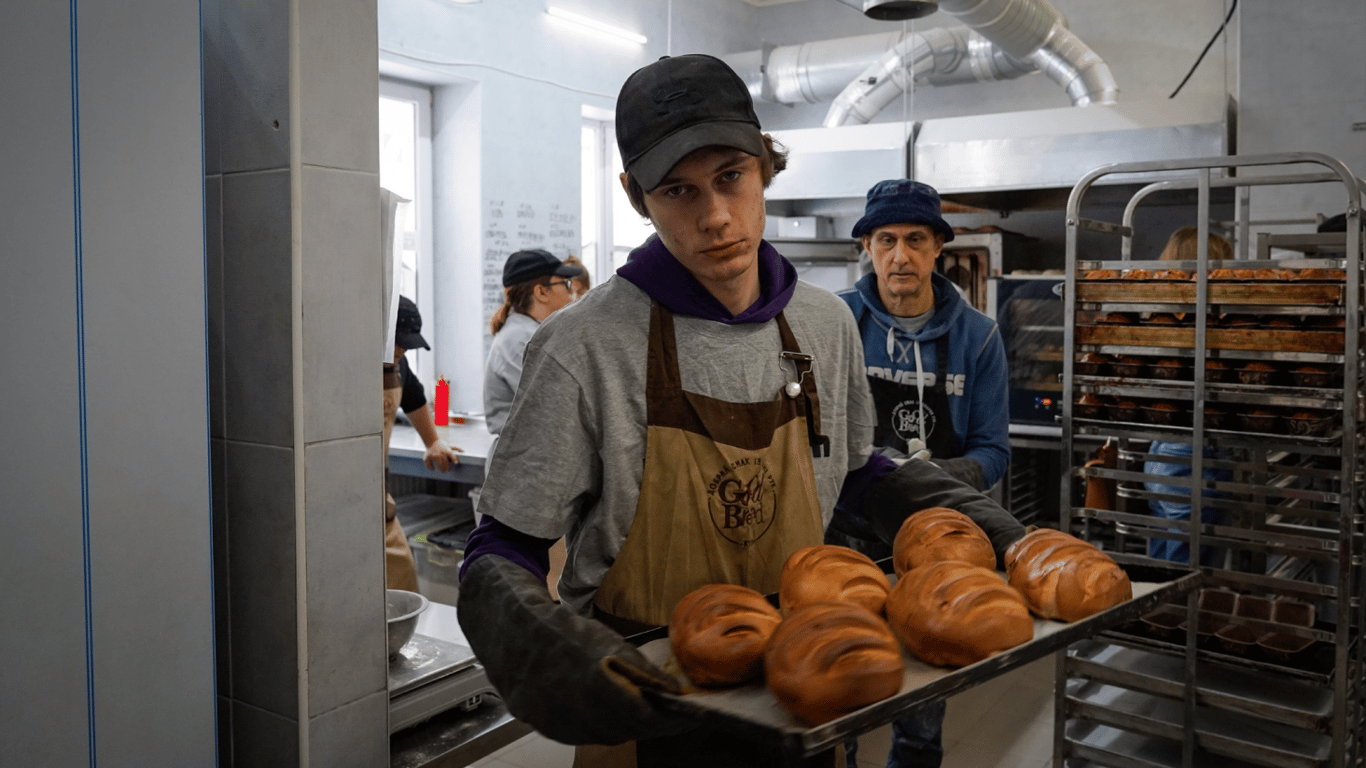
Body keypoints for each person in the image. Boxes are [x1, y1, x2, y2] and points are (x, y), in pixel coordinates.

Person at [455, 53, 1025, 767]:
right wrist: (544, 650)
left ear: (764, 166)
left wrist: (1000, 536)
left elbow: (852, 473)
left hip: (800, 684)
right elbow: (501, 545)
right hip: (645, 700)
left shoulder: (823, 325)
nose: (716, 217)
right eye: (678, 191)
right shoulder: (582, 346)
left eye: (731, 177)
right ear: (637, 196)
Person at [829, 181, 1011, 766]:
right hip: (842, 541)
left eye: (914, 240)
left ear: (938, 249)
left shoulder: (978, 338)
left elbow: (994, 451)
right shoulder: (834, 323)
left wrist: (928, 476)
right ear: (867, 247)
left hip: (934, 545)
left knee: (923, 708)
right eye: (886, 240)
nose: (900, 255)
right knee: (836, 695)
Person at [1144, 228, 1233, 565]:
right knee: (1192, 563)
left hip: (1159, 445)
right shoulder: (1213, 318)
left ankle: (1153, 615)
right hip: (1193, 446)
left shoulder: (1160, 313)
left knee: (1162, 552)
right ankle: (1183, 617)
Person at [383, 296, 463, 590]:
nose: (402, 350)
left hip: (381, 501)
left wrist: (433, 442)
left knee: (403, 581)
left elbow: (414, 398)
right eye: (398, 342)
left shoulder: (397, 365)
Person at [483, 249, 585, 438]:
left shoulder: (532, 333)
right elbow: (559, 406)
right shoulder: (521, 340)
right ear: (541, 292)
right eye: (566, 284)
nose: (573, 294)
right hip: (526, 458)